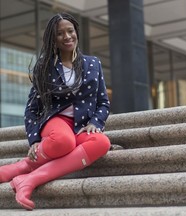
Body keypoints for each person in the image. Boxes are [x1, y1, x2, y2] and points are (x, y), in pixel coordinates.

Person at [0, 12, 111, 210]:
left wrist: (96, 123)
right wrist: (34, 140)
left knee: (102, 142)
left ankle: (27, 178)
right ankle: (24, 170)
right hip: (56, 121)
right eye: (60, 33)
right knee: (63, 141)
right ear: (53, 38)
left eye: (70, 31)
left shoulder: (93, 64)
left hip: (82, 126)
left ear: (76, 32)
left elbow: (103, 102)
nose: (67, 37)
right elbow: (32, 108)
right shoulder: (45, 66)